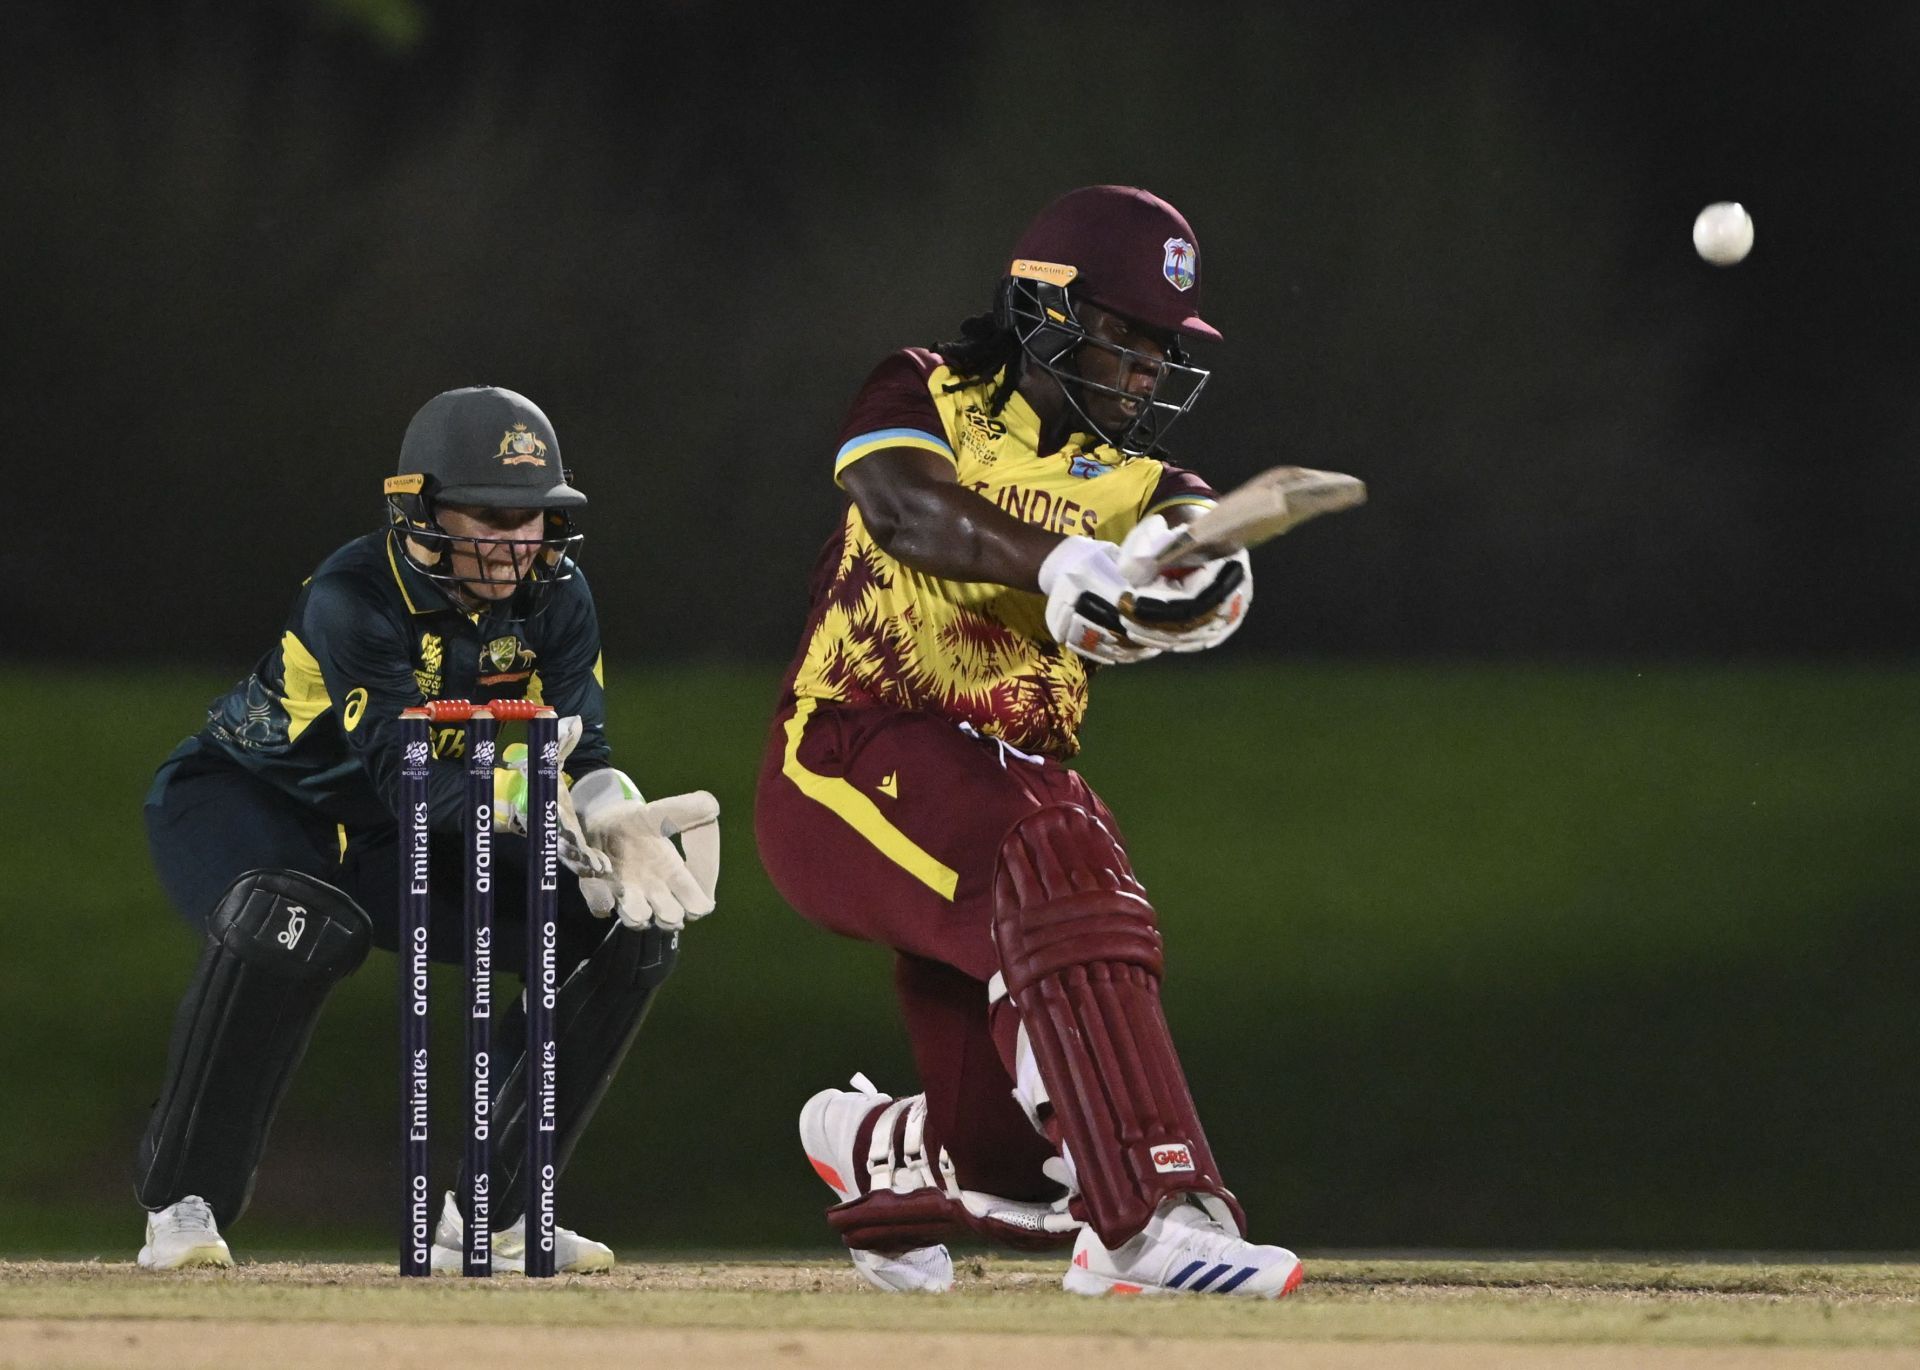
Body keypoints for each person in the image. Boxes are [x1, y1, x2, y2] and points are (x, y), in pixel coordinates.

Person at [756, 185, 1302, 1297]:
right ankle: (1154, 1216)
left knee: (1018, 1172)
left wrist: (1183, 588)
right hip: (845, 754)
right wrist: (1055, 565)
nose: (1148, 370)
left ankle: (881, 1146)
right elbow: (901, 503)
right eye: (1129, 336)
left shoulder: (1143, 480)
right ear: (1046, 310)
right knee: (1048, 835)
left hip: (998, 783)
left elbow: (1188, 538)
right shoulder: (922, 386)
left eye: (1165, 350)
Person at [133, 385, 719, 1271]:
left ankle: (498, 1211)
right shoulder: (353, 595)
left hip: (399, 828)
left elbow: (582, 746)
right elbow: (407, 780)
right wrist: (541, 807)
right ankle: (182, 1205)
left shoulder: (560, 598)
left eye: (535, 516)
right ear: (419, 507)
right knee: (284, 924)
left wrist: (612, 813)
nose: (517, 542)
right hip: (254, 800)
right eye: (491, 513)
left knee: (618, 930)